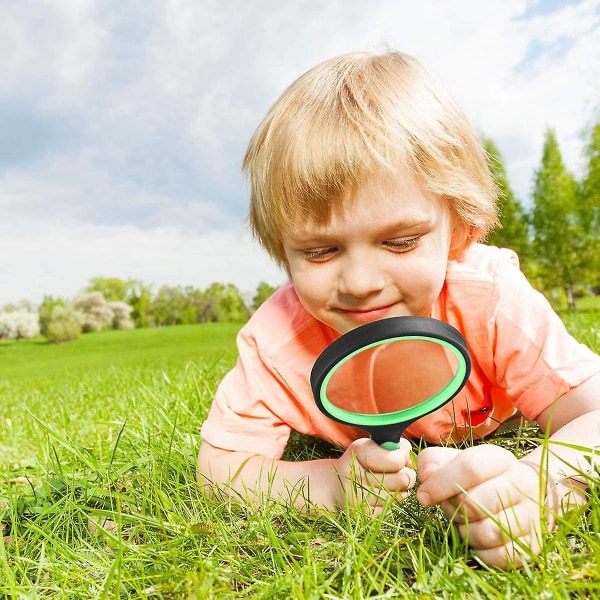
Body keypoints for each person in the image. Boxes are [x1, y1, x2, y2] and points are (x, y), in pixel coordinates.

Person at [197, 50, 600, 568]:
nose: (361, 283)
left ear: (460, 229)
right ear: (283, 251)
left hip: (498, 424)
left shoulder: (489, 296)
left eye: (401, 242)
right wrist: (330, 485)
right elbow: (220, 468)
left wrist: (546, 483)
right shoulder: (277, 340)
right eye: (320, 251)